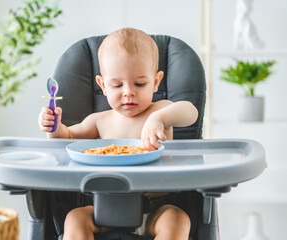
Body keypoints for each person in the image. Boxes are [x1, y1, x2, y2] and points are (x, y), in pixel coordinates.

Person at [38, 27, 198, 240]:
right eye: (116, 84)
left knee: (177, 219)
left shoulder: (161, 110)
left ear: (156, 82)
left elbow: (190, 112)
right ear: (103, 85)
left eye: (139, 83)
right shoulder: (99, 121)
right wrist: (55, 127)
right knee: (75, 218)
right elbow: (66, 139)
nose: (128, 92)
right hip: (103, 208)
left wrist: (159, 120)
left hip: (154, 211)